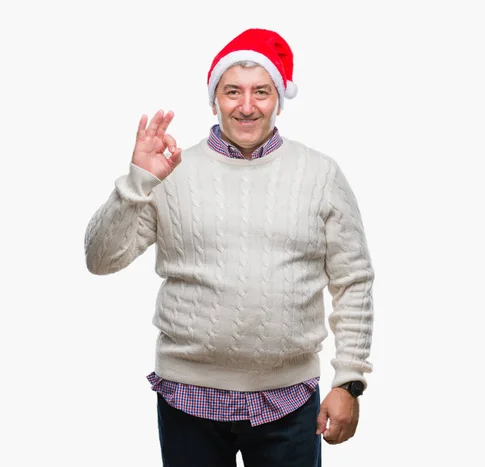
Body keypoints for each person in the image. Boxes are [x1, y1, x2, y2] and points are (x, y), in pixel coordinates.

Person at [84, 28, 375, 467]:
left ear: (278, 97)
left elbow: (353, 280)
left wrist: (348, 381)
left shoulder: (320, 174)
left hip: (290, 401)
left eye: (261, 91)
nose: (246, 105)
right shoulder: (171, 171)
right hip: (187, 400)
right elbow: (100, 260)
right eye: (232, 91)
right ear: (214, 97)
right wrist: (137, 183)